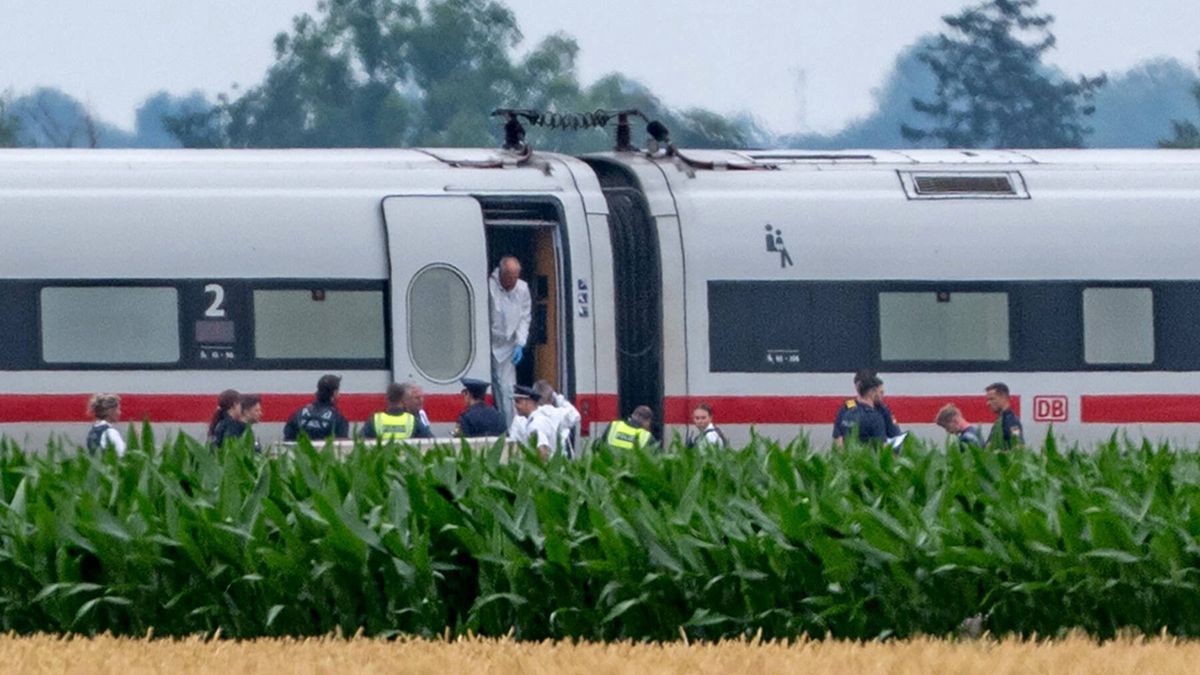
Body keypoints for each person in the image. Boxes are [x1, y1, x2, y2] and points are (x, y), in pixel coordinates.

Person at [489, 255, 532, 425]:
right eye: (510, 277)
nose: (513, 281)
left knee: (507, 389)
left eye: (516, 277)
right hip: (489, 343)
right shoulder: (489, 286)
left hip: (509, 346)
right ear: (502, 274)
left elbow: (524, 318)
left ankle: (511, 429)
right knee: (492, 387)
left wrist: (520, 343)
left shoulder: (523, 289)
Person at [832, 370, 899, 446]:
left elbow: (895, 435)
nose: (882, 395)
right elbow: (838, 437)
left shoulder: (883, 409)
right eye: (880, 392)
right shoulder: (848, 406)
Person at [283, 374, 349, 441]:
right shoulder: (338, 419)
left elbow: (287, 441)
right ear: (334, 393)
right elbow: (340, 447)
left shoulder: (297, 415)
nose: (339, 395)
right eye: (338, 391)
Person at [363, 382, 434, 442]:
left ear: (386, 399)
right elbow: (431, 441)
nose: (421, 400)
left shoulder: (375, 420)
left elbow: (360, 442)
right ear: (403, 399)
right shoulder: (412, 421)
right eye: (416, 398)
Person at [532, 379, 581, 458]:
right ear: (551, 399)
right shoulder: (559, 413)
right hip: (559, 461)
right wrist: (558, 397)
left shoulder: (532, 415)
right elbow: (576, 415)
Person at [508, 385, 558, 459]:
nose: (515, 405)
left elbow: (542, 451)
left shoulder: (536, 424)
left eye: (518, 402)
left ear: (529, 402)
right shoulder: (538, 419)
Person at [985, 382, 1024, 448]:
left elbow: (1018, 444)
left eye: (992, 399)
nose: (988, 403)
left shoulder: (1012, 422)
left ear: (1003, 397)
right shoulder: (1001, 420)